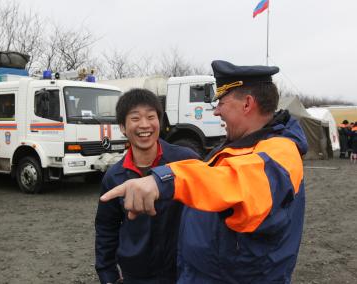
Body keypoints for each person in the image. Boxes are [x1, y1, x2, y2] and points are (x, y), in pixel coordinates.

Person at [101, 60, 308, 283]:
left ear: (247, 104)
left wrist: (164, 180)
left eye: (221, 101)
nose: (217, 110)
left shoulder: (280, 151)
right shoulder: (241, 144)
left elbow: (237, 182)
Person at [94, 88, 199, 284]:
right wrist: (108, 274)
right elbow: (106, 229)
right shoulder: (114, 176)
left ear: (159, 122)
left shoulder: (186, 160)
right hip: (137, 274)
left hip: (183, 271)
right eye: (135, 118)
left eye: (151, 117)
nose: (145, 125)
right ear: (123, 127)